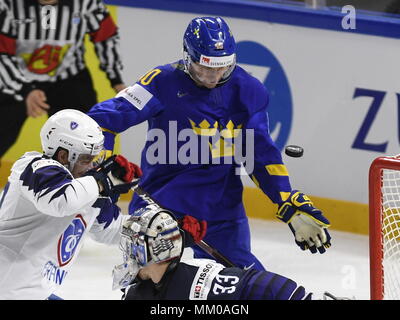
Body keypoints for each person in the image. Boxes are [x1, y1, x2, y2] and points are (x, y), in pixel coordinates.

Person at [88, 16, 332, 271]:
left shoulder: (249, 90)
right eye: (204, 67)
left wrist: (284, 198)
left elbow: (260, 155)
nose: (213, 76)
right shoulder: (160, 81)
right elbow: (103, 121)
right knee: (148, 288)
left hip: (221, 214)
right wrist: (98, 166)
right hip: (158, 208)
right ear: (187, 57)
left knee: (245, 286)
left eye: (222, 67)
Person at [0, 109, 141, 300]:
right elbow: (60, 202)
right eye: (86, 159)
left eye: (94, 159)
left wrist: (160, 227)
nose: (92, 167)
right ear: (63, 156)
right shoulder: (33, 167)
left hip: (35, 292)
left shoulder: (83, 187)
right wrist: (101, 181)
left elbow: (111, 230)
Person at [113, 207, 344, 300]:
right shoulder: (158, 285)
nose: (129, 253)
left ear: (152, 251)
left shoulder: (176, 291)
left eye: (134, 245)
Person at [0, 0, 126, 159]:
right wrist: (24, 90)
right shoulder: (8, 5)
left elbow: (106, 36)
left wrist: (116, 80)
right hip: (17, 78)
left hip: (69, 78)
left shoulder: (86, 3)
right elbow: (2, 55)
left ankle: (85, 182)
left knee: (86, 137)